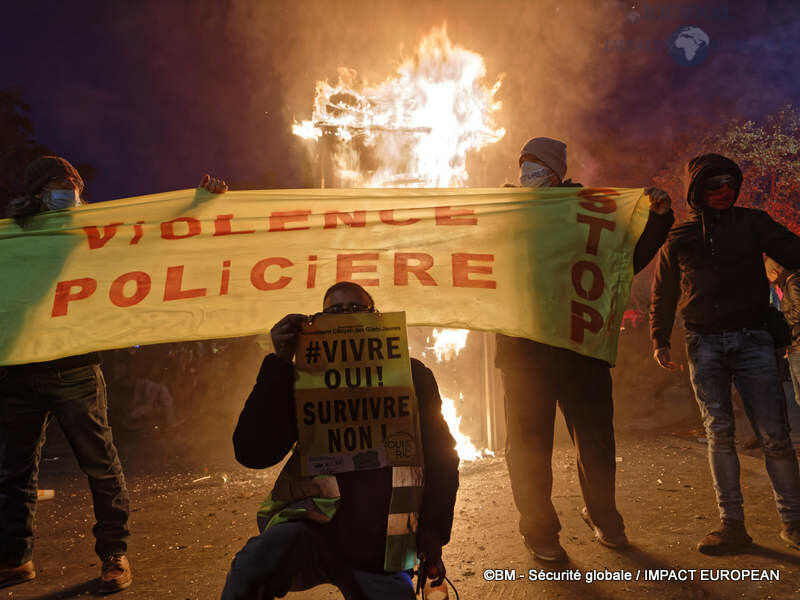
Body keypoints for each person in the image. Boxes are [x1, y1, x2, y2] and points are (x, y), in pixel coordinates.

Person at [0, 156, 228, 592]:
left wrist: (200, 205)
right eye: (58, 184)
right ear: (36, 193)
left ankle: (114, 555)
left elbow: (155, 236)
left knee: (100, 466)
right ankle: (14, 558)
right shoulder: (12, 241)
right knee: (14, 471)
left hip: (74, 369)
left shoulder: (94, 235)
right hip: (19, 371)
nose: (69, 191)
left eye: (73, 185)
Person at [221, 282, 459, 600]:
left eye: (356, 309)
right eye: (334, 311)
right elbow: (252, 451)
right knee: (253, 563)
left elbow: (442, 456)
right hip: (313, 527)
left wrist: (433, 533)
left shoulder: (411, 377)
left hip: (379, 544)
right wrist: (280, 362)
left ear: (376, 322)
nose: (345, 316)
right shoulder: (306, 380)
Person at [496, 137, 675, 562]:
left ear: (558, 171)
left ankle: (604, 517)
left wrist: (659, 221)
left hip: (581, 351)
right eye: (524, 166)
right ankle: (540, 532)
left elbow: (622, 261)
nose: (529, 174)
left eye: (537, 165)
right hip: (525, 355)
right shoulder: (504, 211)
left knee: (595, 442)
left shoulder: (590, 210)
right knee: (527, 448)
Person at [651, 153, 800, 554]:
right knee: (719, 435)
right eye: (714, 185)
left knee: (775, 436)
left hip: (752, 339)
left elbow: (794, 250)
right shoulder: (680, 236)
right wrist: (659, 339)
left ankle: (794, 523)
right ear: (697, 190)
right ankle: (732, 525)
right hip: (703, 343)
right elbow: (664, 292)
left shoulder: (753, 223)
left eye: (731, 184)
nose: (725, 192)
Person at [765, 257, 800, 413]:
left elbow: (799, 312)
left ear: (774, 272)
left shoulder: (793, 283)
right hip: (794, 345)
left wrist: (782, 320)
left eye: (769, 277)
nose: (770, 281)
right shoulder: (789, 284)